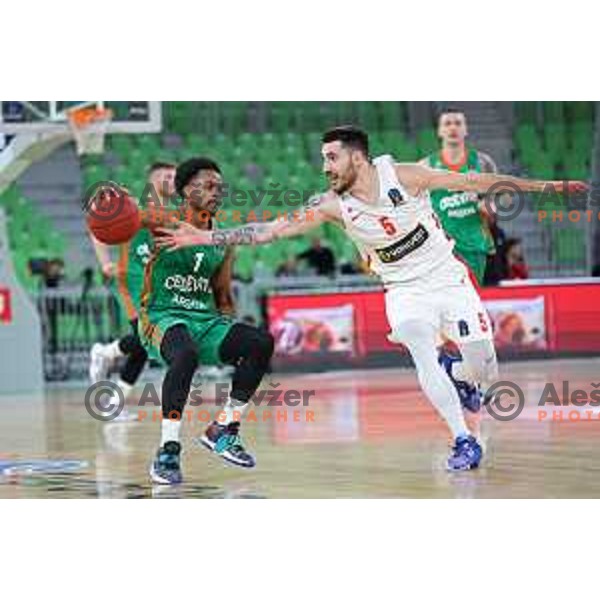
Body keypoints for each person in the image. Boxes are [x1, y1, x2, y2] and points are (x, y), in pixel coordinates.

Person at [155, 126, 588, 472]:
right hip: (403, 290)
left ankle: (460, 371)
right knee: (419, 344)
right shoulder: (331, 205)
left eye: (331, 157)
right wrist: (205, 236)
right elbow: (270, 229)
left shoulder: (405, 175)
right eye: (322, 158)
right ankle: (463, 439)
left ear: (356, 157)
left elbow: (478, 180)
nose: (324, 166)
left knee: (484, 370)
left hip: (448, 278)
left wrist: (548, 187)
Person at [140, 157, 274, 485]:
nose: (217, 192)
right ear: (186, 190)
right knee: (185, 354)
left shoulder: (222, 239)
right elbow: (129, 217)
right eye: (208, 186)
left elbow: (223, 294)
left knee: (260, 342)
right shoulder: (165, 221)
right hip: (162, 315)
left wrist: (231, 333)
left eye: (220, 187)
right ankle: (168, 449)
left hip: (205, 319)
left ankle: (223, 429)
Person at [88, 162, 176, 419]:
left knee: (143, 347)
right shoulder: (131, 203)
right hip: (133, 280)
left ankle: (113, 400)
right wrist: (104, 262)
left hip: (154, 284)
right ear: (156, 178)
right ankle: (105, 353)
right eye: (170, 176)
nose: (176, 181)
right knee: (147, 339)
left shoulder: (168, 212)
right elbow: (95, 225)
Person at [420, 108, 497, 285]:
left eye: (458, 123)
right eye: (447, 123)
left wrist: (490, 206)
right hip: (442, 250)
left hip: (477, 247)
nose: (453, 128)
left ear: (466, 129)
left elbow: (502, 197)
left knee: (475, 305)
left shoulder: (482, 162)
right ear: (440, 131)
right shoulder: (425, 166)